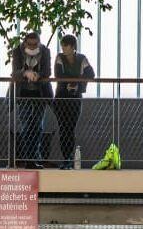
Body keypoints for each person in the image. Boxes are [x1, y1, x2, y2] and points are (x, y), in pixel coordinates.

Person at [10, 31, 53, 169]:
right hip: (23, 93)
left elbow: (47, 71)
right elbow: (15, 72)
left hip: (40, 93)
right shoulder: (18, 51)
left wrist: (38, 75)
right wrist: (25, 73)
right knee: (27, 125)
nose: (33, 47)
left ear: (39, 42)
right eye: (30, 44)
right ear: (25, 43)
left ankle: (34, 157)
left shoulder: (45, 52)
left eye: (35, 44)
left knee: (38, 127)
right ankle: (28, 158)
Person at [53, 34, 95, 169]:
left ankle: (69, 159)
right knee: (63, 128)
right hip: (61, 97)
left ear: (72, 47)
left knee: (70, 128)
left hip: (75, 97)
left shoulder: (81, 59)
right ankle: (66, 158)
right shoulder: (59, 57)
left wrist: (73, 81)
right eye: (63, 46)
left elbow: (91, 74)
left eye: (65, 46)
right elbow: (59, 75)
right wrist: (78, 79)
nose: (63, 48)